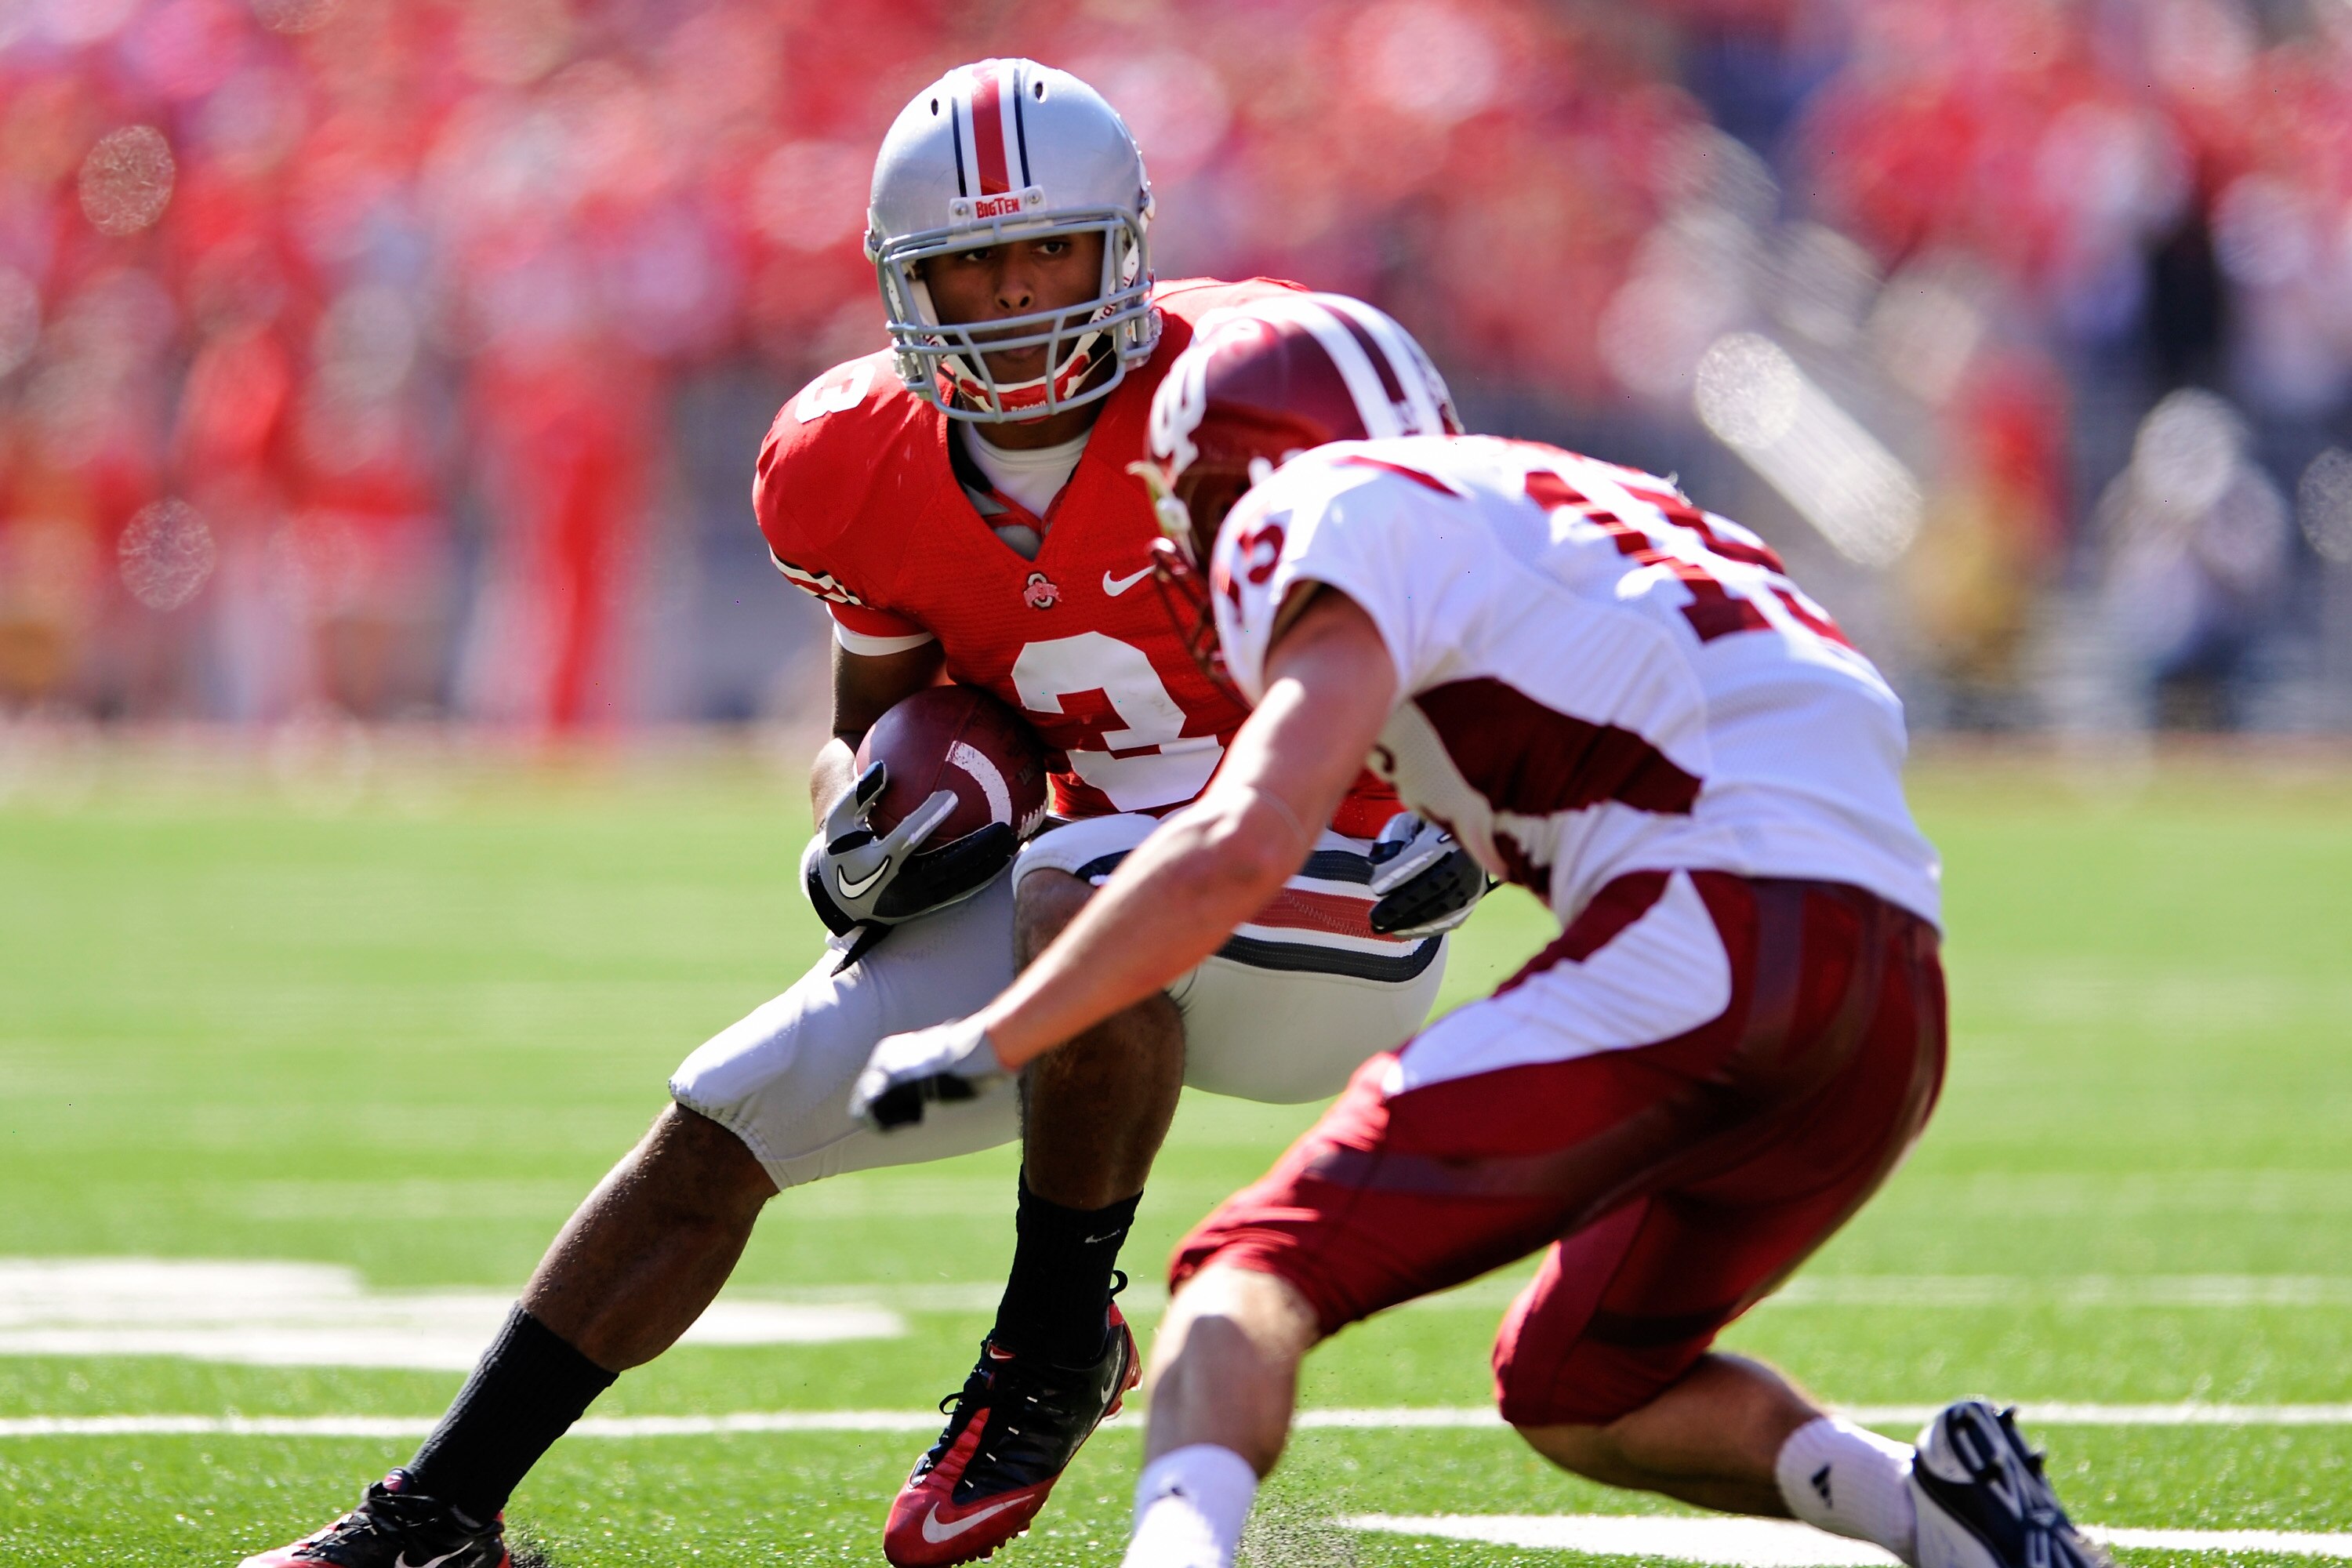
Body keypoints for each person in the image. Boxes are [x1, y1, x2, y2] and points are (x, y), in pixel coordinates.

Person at [241, 62, 1480, 1568]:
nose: (1016, 295)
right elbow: (864, 737)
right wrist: (870, 821)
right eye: (971, 263)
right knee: (735, 1100)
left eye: (1049, 253)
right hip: (1084, 931)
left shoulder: (1277, 379)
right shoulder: (847, 464)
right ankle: (435, 1515)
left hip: (1330, 891)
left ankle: (1046, 1343)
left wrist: (1479, 816)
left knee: (1080, 875)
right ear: (906, 283)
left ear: (1130, 246)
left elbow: (1478, 635)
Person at [852, 292, 2108, 1568]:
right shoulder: (1609, 512)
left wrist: (995, 1040)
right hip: (1893, 974)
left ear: (1236, 470)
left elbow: (1243, 839)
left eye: (1188, 509)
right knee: (1579, 1380)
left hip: (1711, 927)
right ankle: (1937, 1510)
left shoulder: (1322, 502)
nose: (1188, 551)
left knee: (1243, 1273)